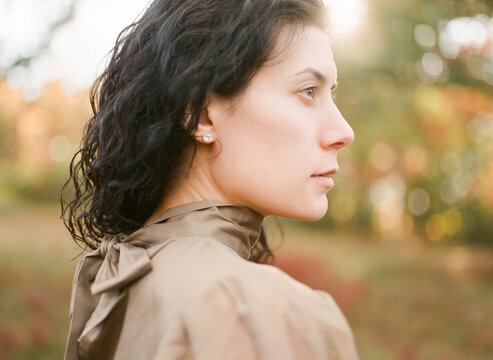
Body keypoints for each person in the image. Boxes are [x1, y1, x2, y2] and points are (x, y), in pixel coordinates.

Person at [62, 0, 359, 358]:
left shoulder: (119, 283)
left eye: (332, 93)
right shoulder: (258, 314)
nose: (343, 131)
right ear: (201, 115)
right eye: (309, 91)